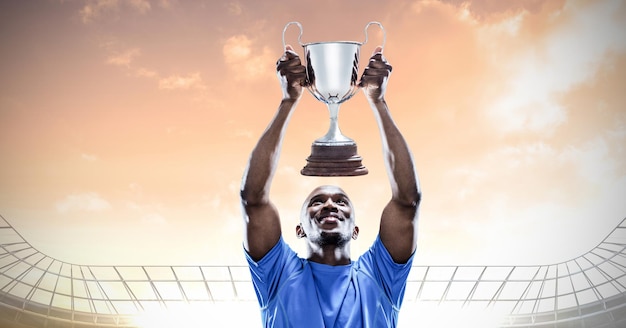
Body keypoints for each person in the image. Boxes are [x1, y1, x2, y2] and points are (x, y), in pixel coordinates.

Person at [240, 43, 421, 328]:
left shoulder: (380, 274)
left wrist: (379, 102)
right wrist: (288, 101)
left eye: (341, 202)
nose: (329, 204)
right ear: (298, 229)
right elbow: (253, 200)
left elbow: (407, 202)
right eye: (316, 201)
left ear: (356, 230)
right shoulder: (278, 273)